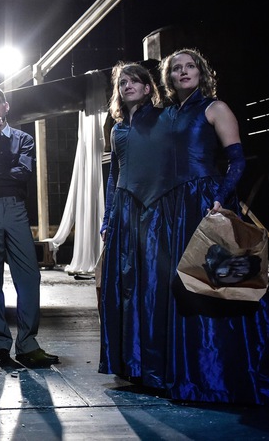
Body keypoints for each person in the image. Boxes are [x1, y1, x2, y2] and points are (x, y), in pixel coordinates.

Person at [158, 48, 269, 404]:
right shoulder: (168, 115)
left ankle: (229, 370)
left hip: (206, 201)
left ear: (201, 72)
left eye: (190, 66)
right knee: (186, 286)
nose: (184, 72)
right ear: (169, 78)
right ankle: (195, 370)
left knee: (221, 282)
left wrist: (220, 197)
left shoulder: (216, 108)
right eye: (177, 68)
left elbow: (237, 162)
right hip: (174, 207)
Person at [0, 85, 59, 368]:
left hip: (15, 209)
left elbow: (23, 174)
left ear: (7, 106)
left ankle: (28, 344)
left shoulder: (24, 139)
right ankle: (1, 346)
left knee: (29, 276)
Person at [98, 62, 170, 388]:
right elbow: (114, 176)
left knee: (152, 286)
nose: (127, 86)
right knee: (126, 287)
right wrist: (107, 219)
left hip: (153, 211)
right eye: (122, 82)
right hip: (124, 214)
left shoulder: (162, 120)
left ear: (147, 87)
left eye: (134, 81)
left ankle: (156, 363)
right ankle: (132, 362)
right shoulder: (116, 130)